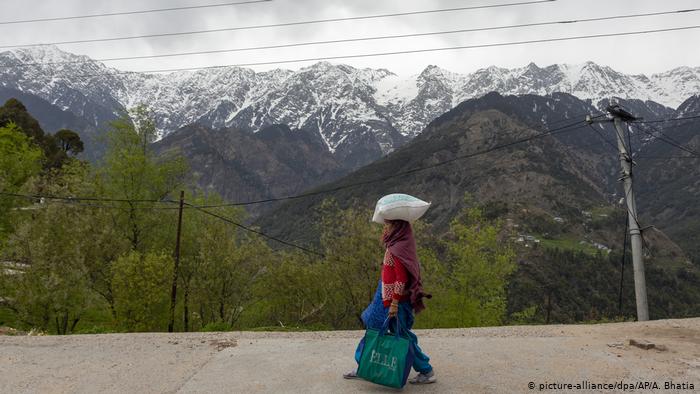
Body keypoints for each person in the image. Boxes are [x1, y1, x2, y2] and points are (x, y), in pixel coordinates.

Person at [343, 219, 436, 385]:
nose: (386, 227)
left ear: (398, 228)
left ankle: (426, 370)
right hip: (387, 299)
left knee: (402, 338)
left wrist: (393, 304)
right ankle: (363, 365)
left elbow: (401, 279)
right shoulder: (399, 245)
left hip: (395, 302)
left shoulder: (397, 250)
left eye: (390, 225)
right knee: (375, 331)